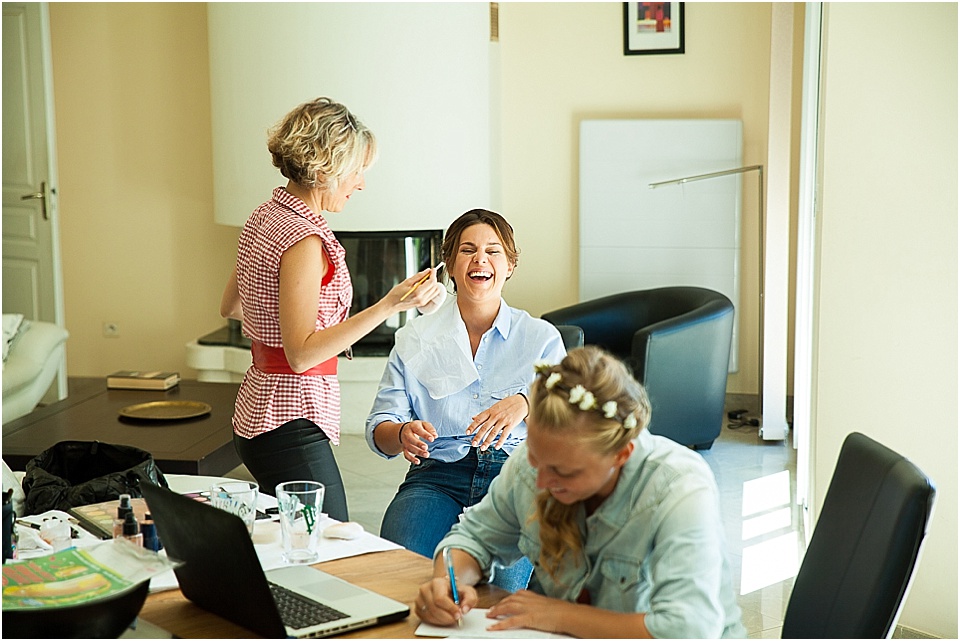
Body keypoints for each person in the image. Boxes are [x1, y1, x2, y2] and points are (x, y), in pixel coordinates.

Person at [416, 346, 746, 639]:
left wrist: (558, 616)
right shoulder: (534, 465)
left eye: (564, 471)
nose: (541, 481)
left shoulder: (679, 488)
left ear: (621, 455)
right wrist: (449, 581)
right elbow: (474, 538)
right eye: (535, 458)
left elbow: (689, 629)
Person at [219, 97, 444, 521]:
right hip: (290, 421)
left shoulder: (263, 216)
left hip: (257, 411)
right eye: (356, 171)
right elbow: (301, 354)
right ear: (325, 168)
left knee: (297, 542)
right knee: (330, 548)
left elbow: (231, 306)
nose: (360, 183)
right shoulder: (305, 240)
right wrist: (388, 304)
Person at [365, 209, 566, 590]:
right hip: (436, 476)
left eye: (493, 251)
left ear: (509, 266)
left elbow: (568, 414)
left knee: (501, 587)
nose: (481, 259)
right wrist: (403, 432)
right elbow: (379, 429)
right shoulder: (415, 339)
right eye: (468, 250)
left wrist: (525, 401)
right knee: (402, 570)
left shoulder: (541, 337)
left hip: (516, 477)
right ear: (450, 266)